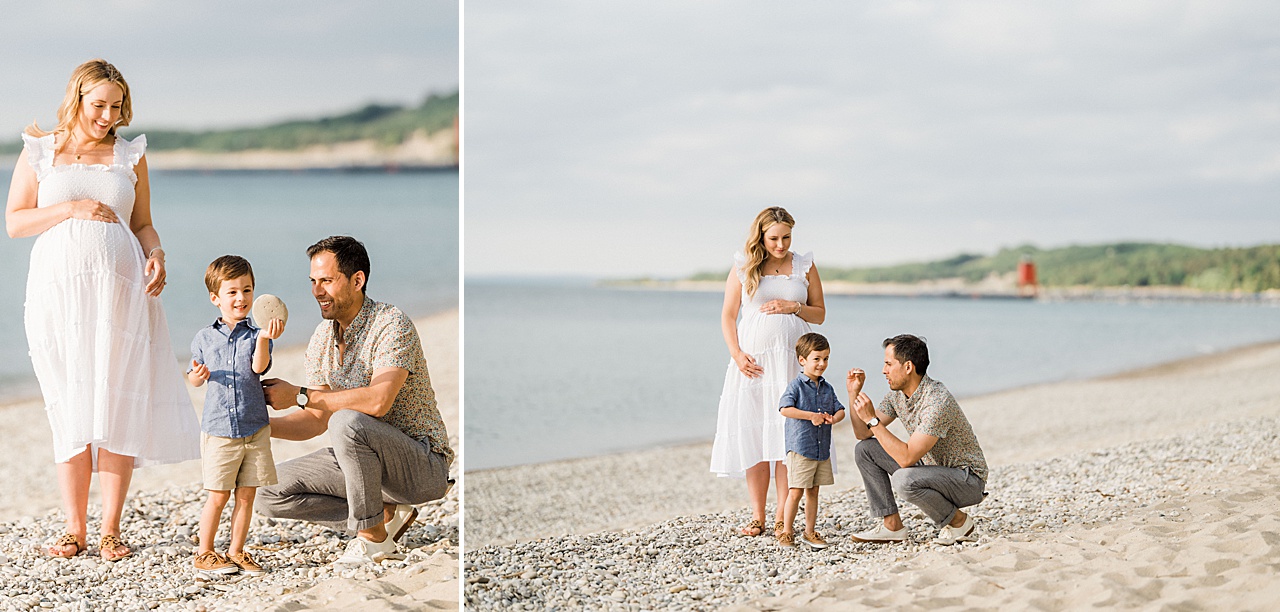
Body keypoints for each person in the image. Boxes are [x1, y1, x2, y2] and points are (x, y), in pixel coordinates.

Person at [4, 59, 200, 561]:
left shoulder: (128, 155)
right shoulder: (40, 151)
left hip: (122, 296)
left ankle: (110, 528)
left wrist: (156, 254)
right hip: (58, 297)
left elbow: (144, 225)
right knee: (68, 402)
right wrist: (71, 208)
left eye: (116, 107)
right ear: (77, 98)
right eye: (99, 106)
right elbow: (16, 222)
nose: (107, 116)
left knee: (118, 401)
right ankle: (74, 528)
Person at [259, 236, 453, 565]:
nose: (317, 291)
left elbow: (378, 402)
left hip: (421, 464)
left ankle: (374, 540)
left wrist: (299, 395)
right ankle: (381, 515)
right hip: (360, 460)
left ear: (357, 280)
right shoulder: (322, 337)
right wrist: (258, 427)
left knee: (346, 421)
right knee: (268, 493)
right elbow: (315, 419)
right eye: (313, 281)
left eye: (327, 281)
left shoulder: (392, 323)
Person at [710, 207, 826, 539]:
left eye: (786, 237)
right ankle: (757, 516)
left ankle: (780, 517)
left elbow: (820, 314)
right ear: (761, 235)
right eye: (774, 238)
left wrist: (794, 307)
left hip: (791, 364)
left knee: (785, 438)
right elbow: (728, 316)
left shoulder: (804, 265)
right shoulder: (743, 266)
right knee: (755, 435)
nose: (780, 244)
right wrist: (736, 354)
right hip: (753, 366)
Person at [186, 256, 285, 575]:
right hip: (218, 429)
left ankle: (237, 551)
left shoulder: (257, 335)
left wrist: (265, 340)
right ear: (215, 298)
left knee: (246, 496)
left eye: (247, 290)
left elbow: (258, 368)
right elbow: (194, 376)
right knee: (218, 495)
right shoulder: (204, 337)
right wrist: (198, 375)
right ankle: (205, 552)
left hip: (254, 427)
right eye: (232, 292)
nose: (241, 298)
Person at [846, 335, 989, 545]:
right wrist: (853, 394)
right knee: (865, 449)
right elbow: (863, 433)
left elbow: (906, 458)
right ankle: (892, 526)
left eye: (888, 364)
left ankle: (959, 523)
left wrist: (872, 419)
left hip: (967, 480)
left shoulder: (937, 401)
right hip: (930, 469)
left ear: (908, 367)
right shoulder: (897, 396)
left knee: (903, 480)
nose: (884, 370)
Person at [777, 333, 845, 549]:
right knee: (795, 491)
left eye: (825, 358)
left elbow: (841, 409)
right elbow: (785, 409)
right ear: (802, 360)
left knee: (814, 491)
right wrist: (811, 416)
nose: (822, 364)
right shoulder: (795, 386)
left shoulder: (827, 388)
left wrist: (835, 418)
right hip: (801, 447)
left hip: (820, 449)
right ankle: (786, 531)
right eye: (817, 358)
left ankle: (809, 531)